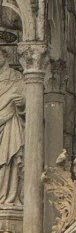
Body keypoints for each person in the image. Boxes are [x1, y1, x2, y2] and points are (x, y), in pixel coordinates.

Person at [0, 46, 24, 206]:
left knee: (7, 161)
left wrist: (22, 103)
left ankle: (7, 197)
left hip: (9, 125)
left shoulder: (16, 78)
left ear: (5, 56)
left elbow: (30, 102)